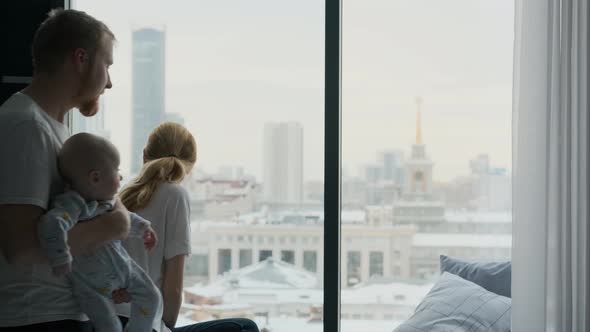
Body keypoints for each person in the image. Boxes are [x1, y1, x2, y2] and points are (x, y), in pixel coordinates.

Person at [0, 9, 129, 331]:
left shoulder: (54, 130)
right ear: (81, 58)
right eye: (107, 65)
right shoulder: (24, 125)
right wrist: (116, 223)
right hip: (40, 319)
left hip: (62, 314)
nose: (109, 83)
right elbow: (21, 248)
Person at [116, 122, 259, 332]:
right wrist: (166, 325)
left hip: (110, 320)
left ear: (145, 155)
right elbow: (173, 286)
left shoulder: (121, 194)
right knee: (245, 328)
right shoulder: (175, 195)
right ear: (188, 167)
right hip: (145, 323)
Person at [37, 133, 162, 332]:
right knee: (109, 326)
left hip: (124, 270)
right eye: (117, 171)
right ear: (96, 177)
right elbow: (52, 223)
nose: (120, 177)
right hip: (89, 286)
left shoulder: (108, 202)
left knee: (152, 297)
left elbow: (126, 218)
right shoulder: (72, 204)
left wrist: (143, 228)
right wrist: (60, 257)